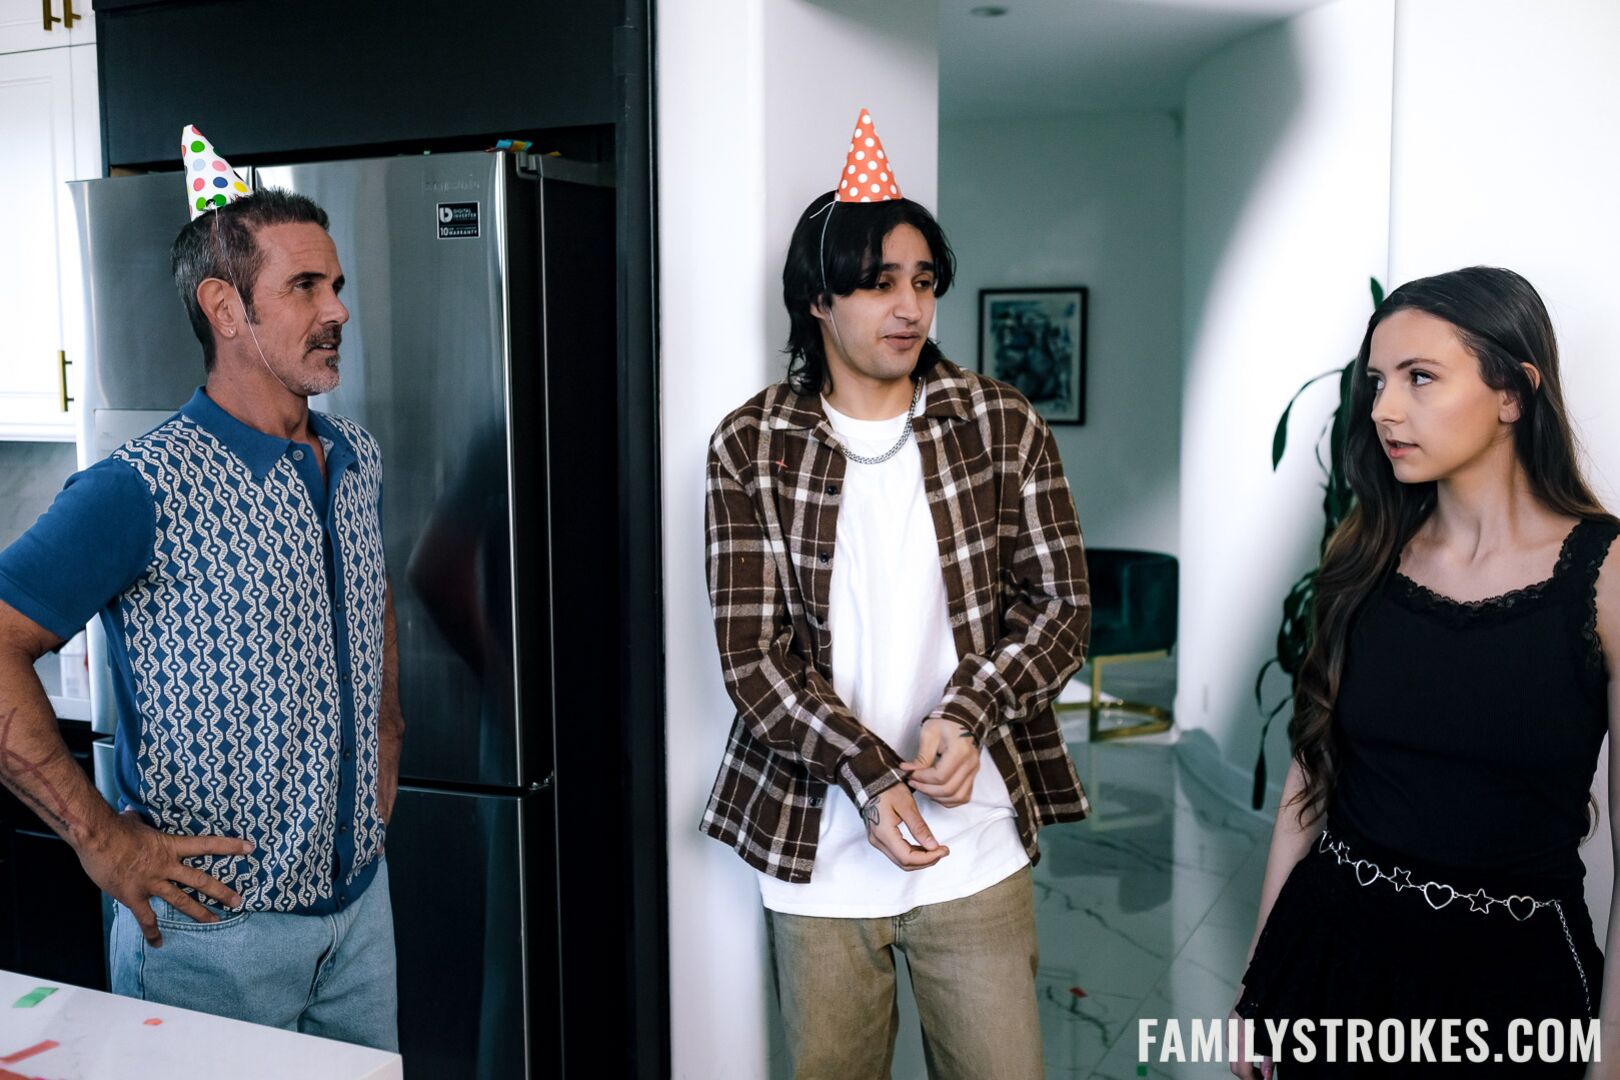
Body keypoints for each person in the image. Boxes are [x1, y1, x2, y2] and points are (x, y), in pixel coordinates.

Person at [701, 110, 1091, 1079]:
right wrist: (871, 776)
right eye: (879, 283)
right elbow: (752, 659)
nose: (909, 306)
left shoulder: (1000, 422)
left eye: (922, 281)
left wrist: (970, 713)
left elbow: (1060, 607)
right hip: (819, 853)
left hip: (977, 845)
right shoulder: (750, 445)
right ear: (818, 299)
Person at [0, 128, 402, 1050]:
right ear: (225, 307)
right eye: (306, 286)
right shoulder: (139, 486)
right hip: (210, 941)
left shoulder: (355, 455)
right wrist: (101, 839)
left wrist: (387, 733)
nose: (338, 309)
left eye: (337, 284)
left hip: (360, 917)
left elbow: (365, 593)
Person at [1231, 266, 1618, 1077]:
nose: (1382, 409)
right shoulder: (1365, 556)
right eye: (1377, 381)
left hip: (1513, 992)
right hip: (1329, 962)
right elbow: (1310, 779)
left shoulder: (1606, 576)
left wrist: (1609, 1055)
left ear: (1513, 392)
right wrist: (1258, 987)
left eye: (1420, 377)